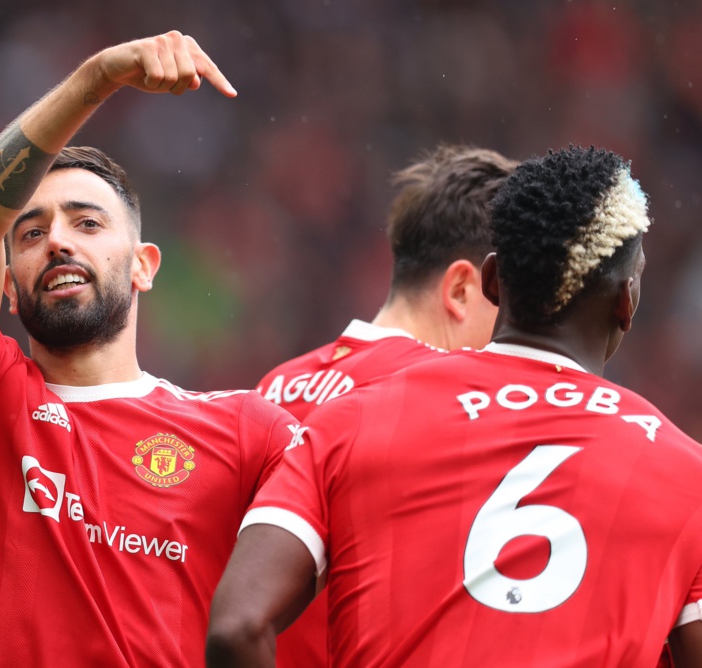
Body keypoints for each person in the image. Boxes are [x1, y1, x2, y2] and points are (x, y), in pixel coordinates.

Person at [206, 145, 702, 667]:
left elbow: (238, 626)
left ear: (490, 281)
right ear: (626, 304)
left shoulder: (352, 417)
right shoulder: (687, 473)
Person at [0, 33, 298, 667]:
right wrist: (95, 80)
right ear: (7, 288)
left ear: (144, 265)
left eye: (87, 224)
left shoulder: (246, 432)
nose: (58, 242)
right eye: (31, 233)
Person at [254, 144, 518, 668]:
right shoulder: (449, 399)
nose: (521, 333)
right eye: (513, 304)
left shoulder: (274, 386)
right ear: (463, 289)